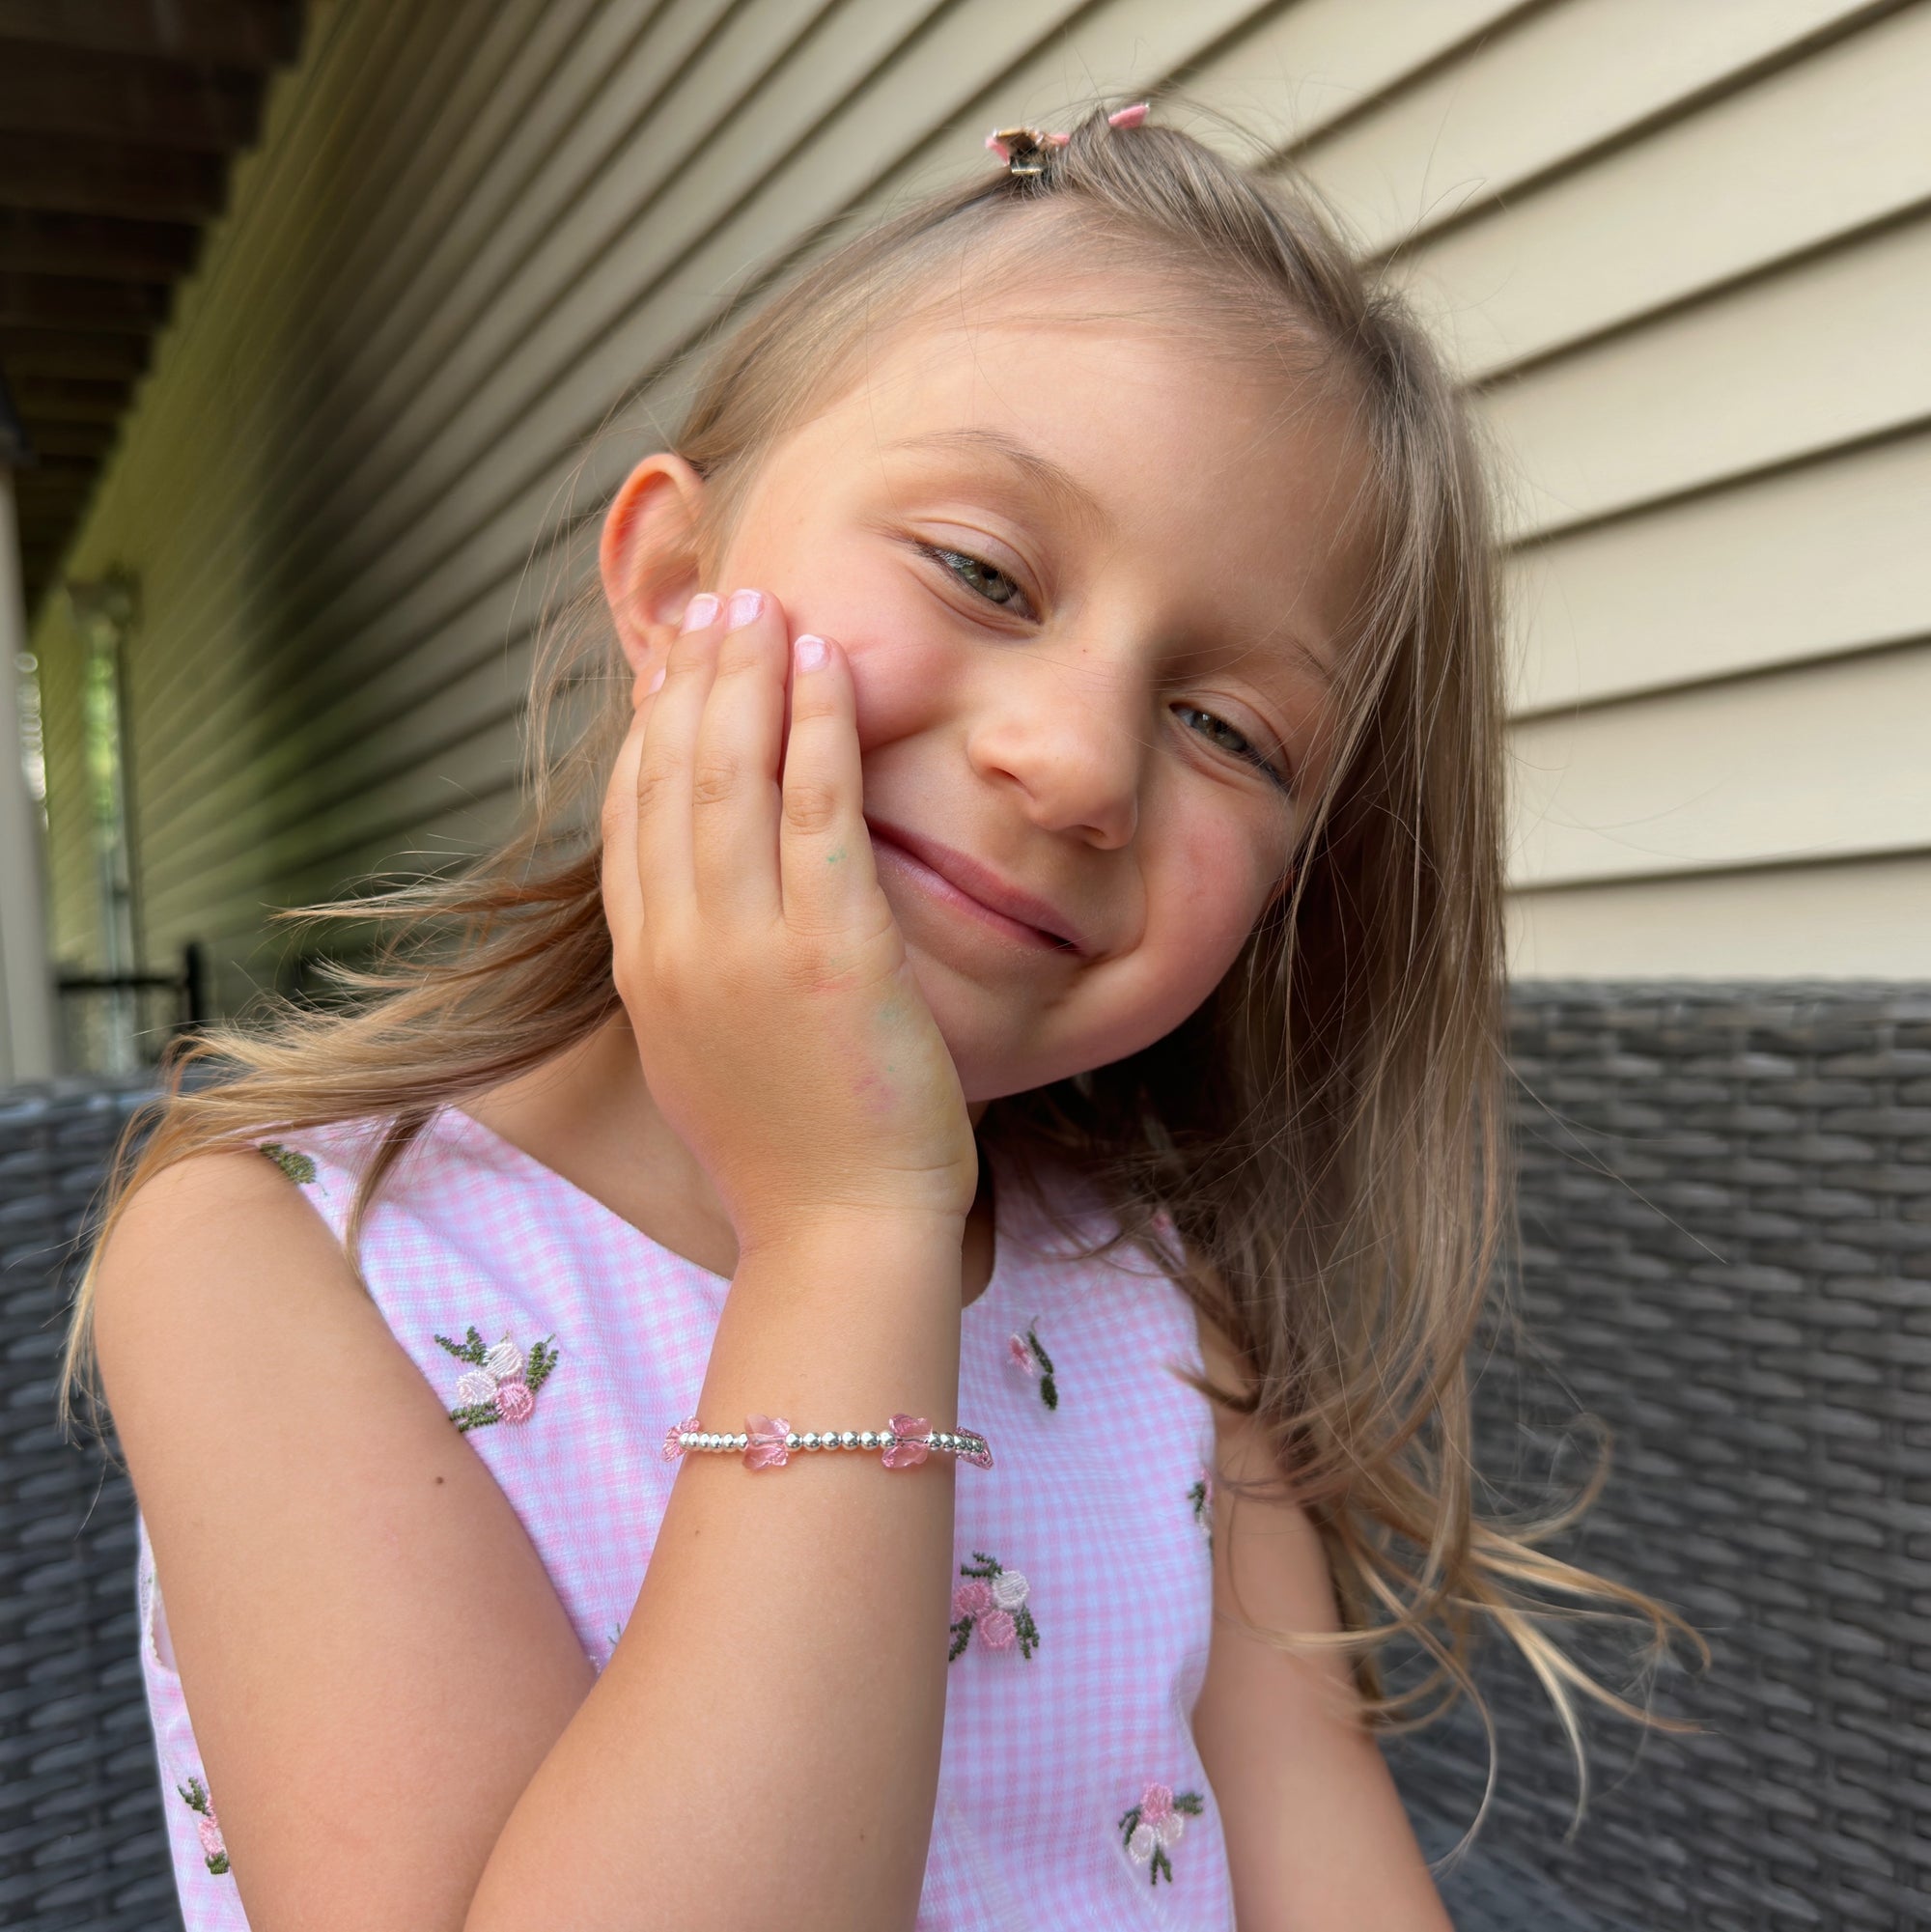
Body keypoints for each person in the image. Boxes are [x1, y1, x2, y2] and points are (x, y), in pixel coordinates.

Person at [66, 103, 1679, 1929]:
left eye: (1231, 729)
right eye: (983, 572)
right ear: (676, 590)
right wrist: (844, 1231)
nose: (1074, 762)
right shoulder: (284, 1260)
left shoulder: (1151, 1297)